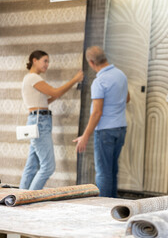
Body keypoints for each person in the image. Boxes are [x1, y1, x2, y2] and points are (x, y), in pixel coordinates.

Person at [20, 50, 83, 190]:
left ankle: (20, 197)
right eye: (45, 61)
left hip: (37, 120)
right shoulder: (33, 78)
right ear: (34, 60)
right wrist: (74, 80)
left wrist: (63, 89)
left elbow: (50, 98)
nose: (47, 65)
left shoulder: (30, 78)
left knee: (32, 166)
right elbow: (54, 92)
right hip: (39, 122)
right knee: (48, 167)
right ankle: (31, 197)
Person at [73, 46, 129, 198]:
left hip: (105, 131)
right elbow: (127, 98)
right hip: (121, 128)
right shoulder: (120, 74)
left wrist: (84, 137)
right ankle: (112, 203)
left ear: (91, 63)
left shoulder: (100, 81)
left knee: (103, 173)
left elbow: (97, 112)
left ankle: (102, 207)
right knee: (112, 170)